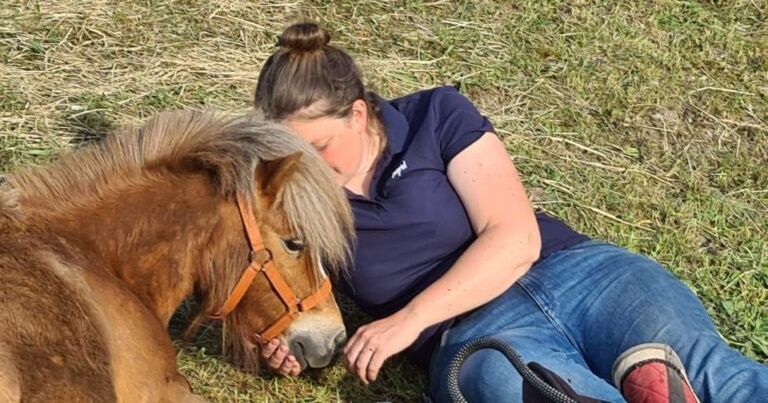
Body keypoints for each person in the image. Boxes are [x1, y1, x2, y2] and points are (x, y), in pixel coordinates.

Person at [252, 22, 768, 402]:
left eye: (318, 147)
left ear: (359, 114)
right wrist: (286, 341)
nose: (307, 168)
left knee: (723, 379)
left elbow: (515, 238)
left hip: (581, 275)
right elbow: (299, 294)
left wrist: (406, 321)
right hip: (478, 336)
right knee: (514, 386)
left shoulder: (435, 115)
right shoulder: (291, 197)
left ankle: (661, 378)